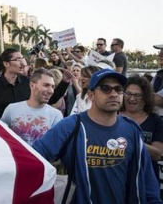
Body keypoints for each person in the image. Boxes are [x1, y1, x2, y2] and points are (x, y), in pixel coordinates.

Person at [33, 68, 162, 203]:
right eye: (106, 89)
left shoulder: (131, 130)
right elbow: (35, 156)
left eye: (118, 89)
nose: (113, 94)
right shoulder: (70, 126)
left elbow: (146, 178)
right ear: (91, 95)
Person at [0, 69, 63, 146]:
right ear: (32, 85)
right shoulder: (11, 109)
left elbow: (55, 146)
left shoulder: (56, 115)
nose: (51, 91)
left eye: (53, 87)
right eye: (46, 85)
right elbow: (1, 137)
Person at [120, 75, 163, 182]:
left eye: (137, 95)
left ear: (146, 97)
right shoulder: (113, 116)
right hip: (119, 178)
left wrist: (133, 141)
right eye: (128, 93)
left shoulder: (156, 121)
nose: (132, 98)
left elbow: (157, 154)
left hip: (145, 180)